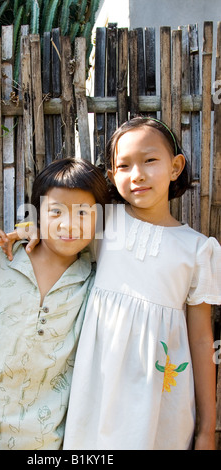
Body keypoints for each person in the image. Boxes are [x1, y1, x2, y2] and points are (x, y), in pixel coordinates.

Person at [62, 117, 221, 450]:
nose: (137, 174)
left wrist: (208, 428)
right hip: (99, 386)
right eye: (123, 165)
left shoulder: (196, 249)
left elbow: (203, 338)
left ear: (176, 166)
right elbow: (52, 236)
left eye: (150, 160)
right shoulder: (102, 224)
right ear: (111, 176)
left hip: (161, 393)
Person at [0, 157, 110, 450]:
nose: (69, 223)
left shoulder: (94, 279)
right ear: (37, 215)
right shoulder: (1, 258)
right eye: (56, 211)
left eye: (83, 213)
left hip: (42, 439)